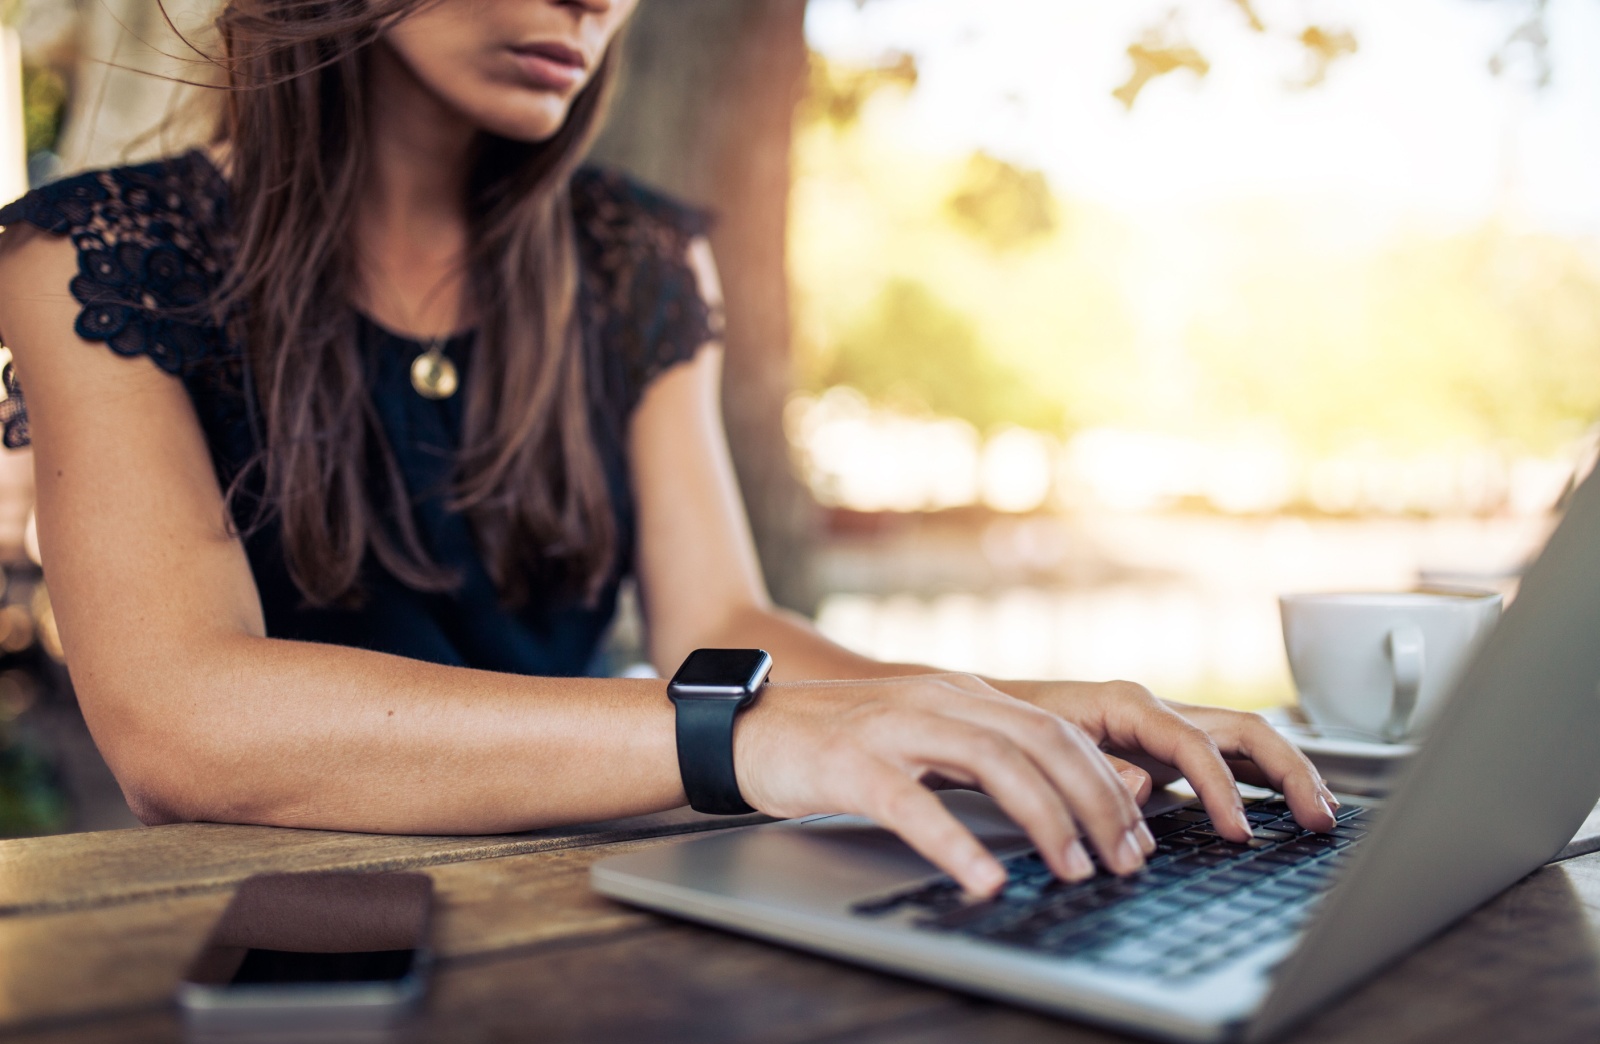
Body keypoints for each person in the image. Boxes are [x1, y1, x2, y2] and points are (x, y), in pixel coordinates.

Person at [0, 0, 1336, 897]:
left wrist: (1007, 709)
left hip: (582, 897)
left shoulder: (639, 258)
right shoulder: (99, 252)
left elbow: (722, 622)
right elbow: (181, 719)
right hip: (266, 941)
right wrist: (740, 740)